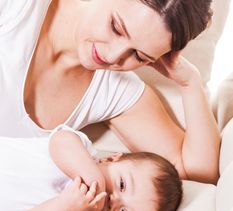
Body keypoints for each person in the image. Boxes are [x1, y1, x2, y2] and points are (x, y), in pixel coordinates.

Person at [0, 0, 220, 188]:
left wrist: (190, 83)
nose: (113, 56)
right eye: (116, 27)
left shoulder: (113, 89)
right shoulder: (19, 9)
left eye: (139, 56)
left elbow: (196, 173)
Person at [0, 126, 182, 211]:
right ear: (111, 159)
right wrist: (95, 182)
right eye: (122, 185)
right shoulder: (83, 151)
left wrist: (65, 208)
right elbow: (61, 141)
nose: (114, 201)